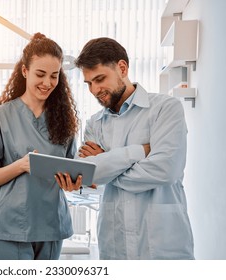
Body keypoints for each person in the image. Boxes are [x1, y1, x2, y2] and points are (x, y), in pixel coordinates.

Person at [55, 37, 195, 260]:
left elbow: (165, 171)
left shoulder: (165, 109)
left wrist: (106, 165)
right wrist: (138, 152)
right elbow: (93, 179)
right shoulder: (95, 123)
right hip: (114, 243)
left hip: (161, 243)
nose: (94, 90)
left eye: (100, 79)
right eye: (89, 83)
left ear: (122, 68)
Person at [0, 33, 79, 260]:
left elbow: (71, 170)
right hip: (12, 226)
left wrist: (72, 183)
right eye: (40, 74)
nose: (48, 83)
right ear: (25, 71)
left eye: (54, 76)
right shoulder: (1, 115)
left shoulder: (65, 120)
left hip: (51, 225)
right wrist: (22, 165)